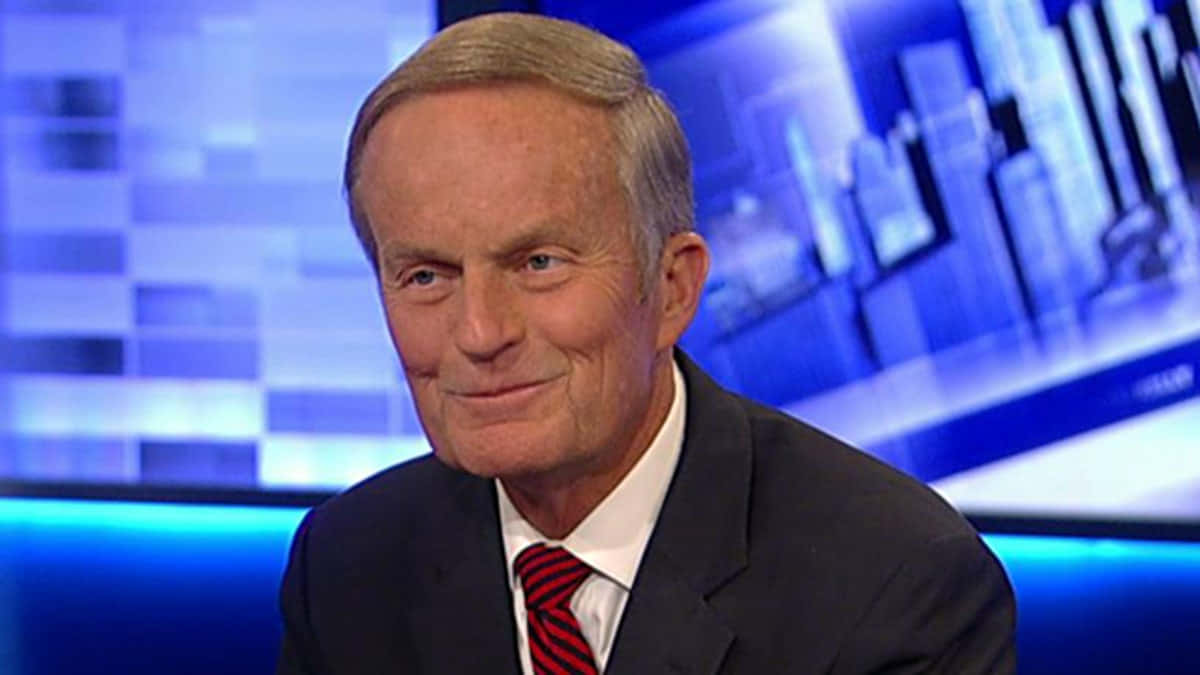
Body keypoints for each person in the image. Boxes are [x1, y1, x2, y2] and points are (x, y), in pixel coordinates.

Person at [276, 12, 1016, 674]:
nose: (479, 332)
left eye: (539, 263)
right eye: (427, 276)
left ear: (673, 288)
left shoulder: (897, 587)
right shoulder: (347, 568)